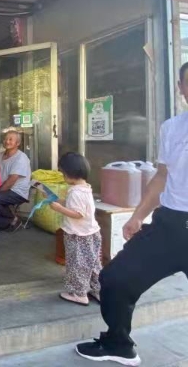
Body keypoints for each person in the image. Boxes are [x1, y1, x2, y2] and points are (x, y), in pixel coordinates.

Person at [75, 63, 188, 366]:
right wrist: (138, 215)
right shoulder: (172, 128)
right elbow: (162, 176)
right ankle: (118, 344)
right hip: (169, 224)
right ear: (180, 87)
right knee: (115, 278)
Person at [44, 152, 101, 306]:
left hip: (78, 236)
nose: (63, 176)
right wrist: (59, 200)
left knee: (77, 265)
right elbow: (74, 205)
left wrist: (58, 208)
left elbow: (78, 214)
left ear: (70, 173)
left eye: (63, 173)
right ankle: (98, 290)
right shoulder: (85, 188)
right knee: (93, 263)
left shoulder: (75, 192)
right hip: (91, 234)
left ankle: (78, 293)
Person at [0, 130, 31, 231]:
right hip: (4, 188)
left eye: (11, 139)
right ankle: (10, 221)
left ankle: (13, 219)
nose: (7, 141)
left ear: (18, 143)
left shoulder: (21, 158)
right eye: (6, 139)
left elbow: (11, 181)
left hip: (17, 191)